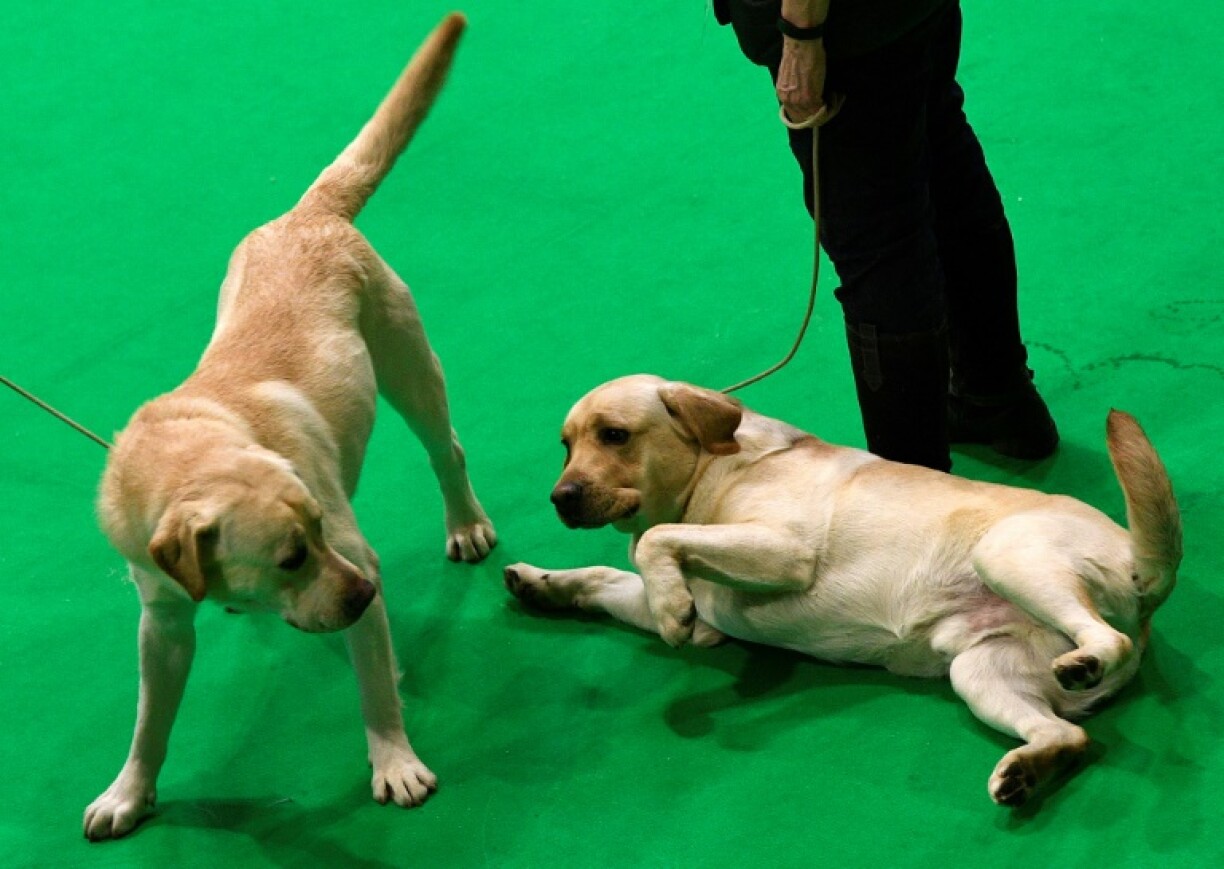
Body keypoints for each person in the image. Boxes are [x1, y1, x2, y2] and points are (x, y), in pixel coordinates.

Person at [712, 0, 1058, 471]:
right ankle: (996, 400)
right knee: (945, 167)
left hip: (843, 32)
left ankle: (911, 487)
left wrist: (801, 34)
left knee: (877, 242)